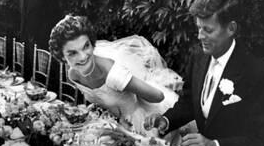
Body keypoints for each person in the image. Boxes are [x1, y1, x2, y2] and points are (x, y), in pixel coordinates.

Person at [145, 0, 264, 146]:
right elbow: (190, 101)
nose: (200, 36)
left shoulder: (257, 73)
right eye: (198, 28)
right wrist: (165, 121)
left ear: (231, 29)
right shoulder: (198, 57)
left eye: (208, 30)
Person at [48, 15, 181, 133]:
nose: (83, 57)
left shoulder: (113, 74)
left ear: (93, 44)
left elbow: (158, 96)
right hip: (119, 126)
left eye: (86, 46)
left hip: (147, 124)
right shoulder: (74, 75)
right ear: (62, 56)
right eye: (72, 53)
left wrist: (132, 96)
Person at [17, 0, 61, 79]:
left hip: (41, 43)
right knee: (25, 77)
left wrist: (43, 38)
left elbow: (55, 18)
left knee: (42, 79)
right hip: (25, 41)